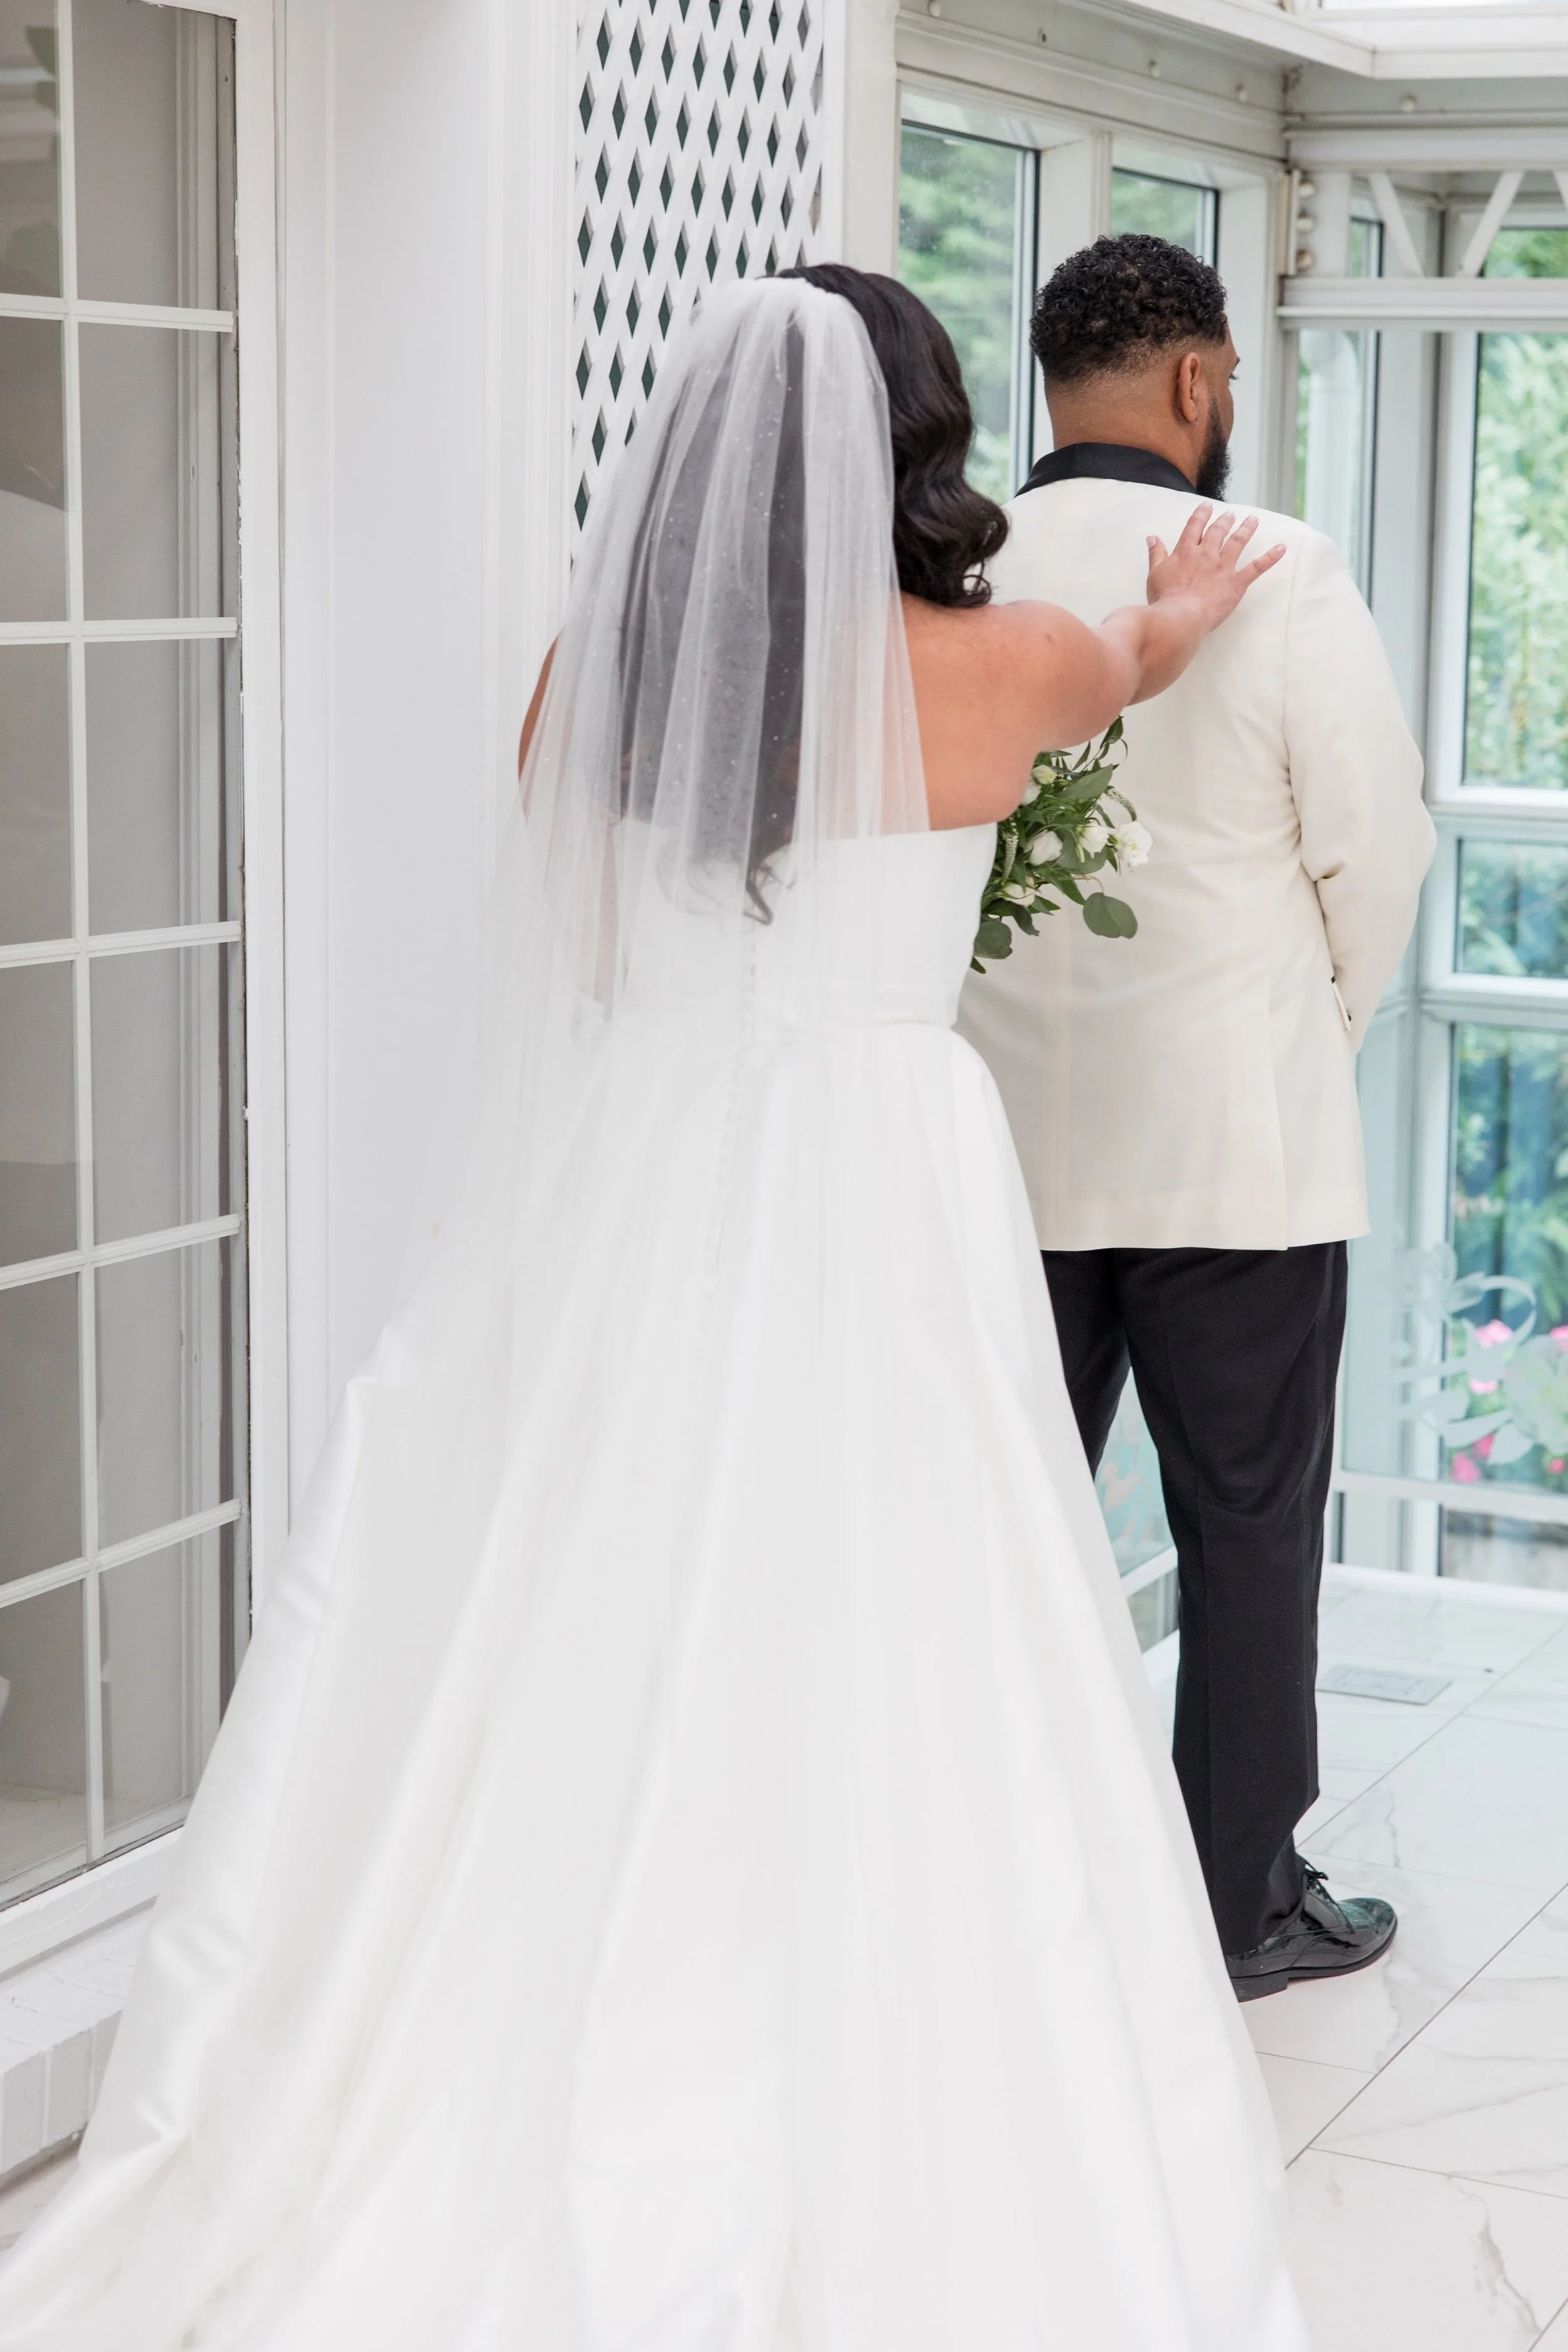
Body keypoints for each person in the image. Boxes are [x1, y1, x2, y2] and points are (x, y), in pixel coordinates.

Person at [0, 272, 1306, 2351]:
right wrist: (1190, 600)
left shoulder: (579, 692)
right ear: (921, 452)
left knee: (593, 1580)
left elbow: (595, 955)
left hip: (649, 1165)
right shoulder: (1010, 667)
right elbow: (1133, 661)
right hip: (881, 1169)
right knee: (906, 1590)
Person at [958, 233, 1436, 2000]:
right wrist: (1316, 1026)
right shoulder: (1277, 564)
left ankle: (986, 1872)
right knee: (1244, 1525)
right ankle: (1238, 1903)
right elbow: (1372, 841)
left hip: (996, 1145)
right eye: (1227, 380)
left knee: (997, 1523)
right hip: (1236, 1146)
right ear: (1194, 380)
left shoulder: (960, 566)